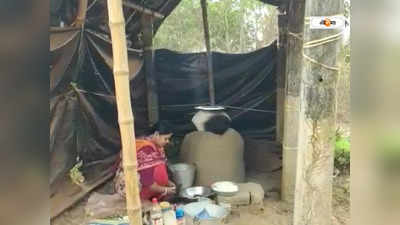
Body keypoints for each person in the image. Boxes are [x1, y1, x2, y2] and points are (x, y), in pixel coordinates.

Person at [114, 123, 176, 201]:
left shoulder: (158, 148)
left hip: (155, 191)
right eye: (166, 138)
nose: (168, 141)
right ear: (156, 134)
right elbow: (148, 183)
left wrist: (168, 182)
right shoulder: (145, 149)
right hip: (139, 193)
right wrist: (166, 190)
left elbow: (159, 168)